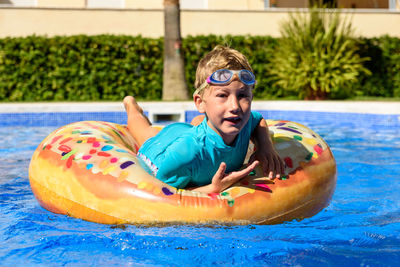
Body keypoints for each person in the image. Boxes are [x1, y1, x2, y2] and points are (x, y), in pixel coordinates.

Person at [123, 46, 284, 194]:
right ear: (200, 103)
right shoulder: (185, 155)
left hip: (191, 132)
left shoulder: (243, 122)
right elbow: (163, 194)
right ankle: (131, 106)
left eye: (242, 96)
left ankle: (199, 121)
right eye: (222, 95)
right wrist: (212, 188)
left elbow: (258, 119)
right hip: (158, 151)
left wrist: (265, 146)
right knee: (145, 133)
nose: (235, 106)